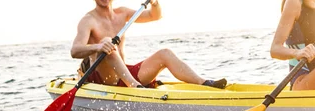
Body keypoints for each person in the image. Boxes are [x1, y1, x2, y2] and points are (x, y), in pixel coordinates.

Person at [71, 0, 227, 89]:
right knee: (107, 42)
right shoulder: (88, 20)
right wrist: (98, 46)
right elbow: (75, 51)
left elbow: (155, 15)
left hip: (125, 74)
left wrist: (155, 3)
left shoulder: (122, 13)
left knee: (165, 53)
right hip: (104, 78)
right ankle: (135, 87)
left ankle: (205, 83)